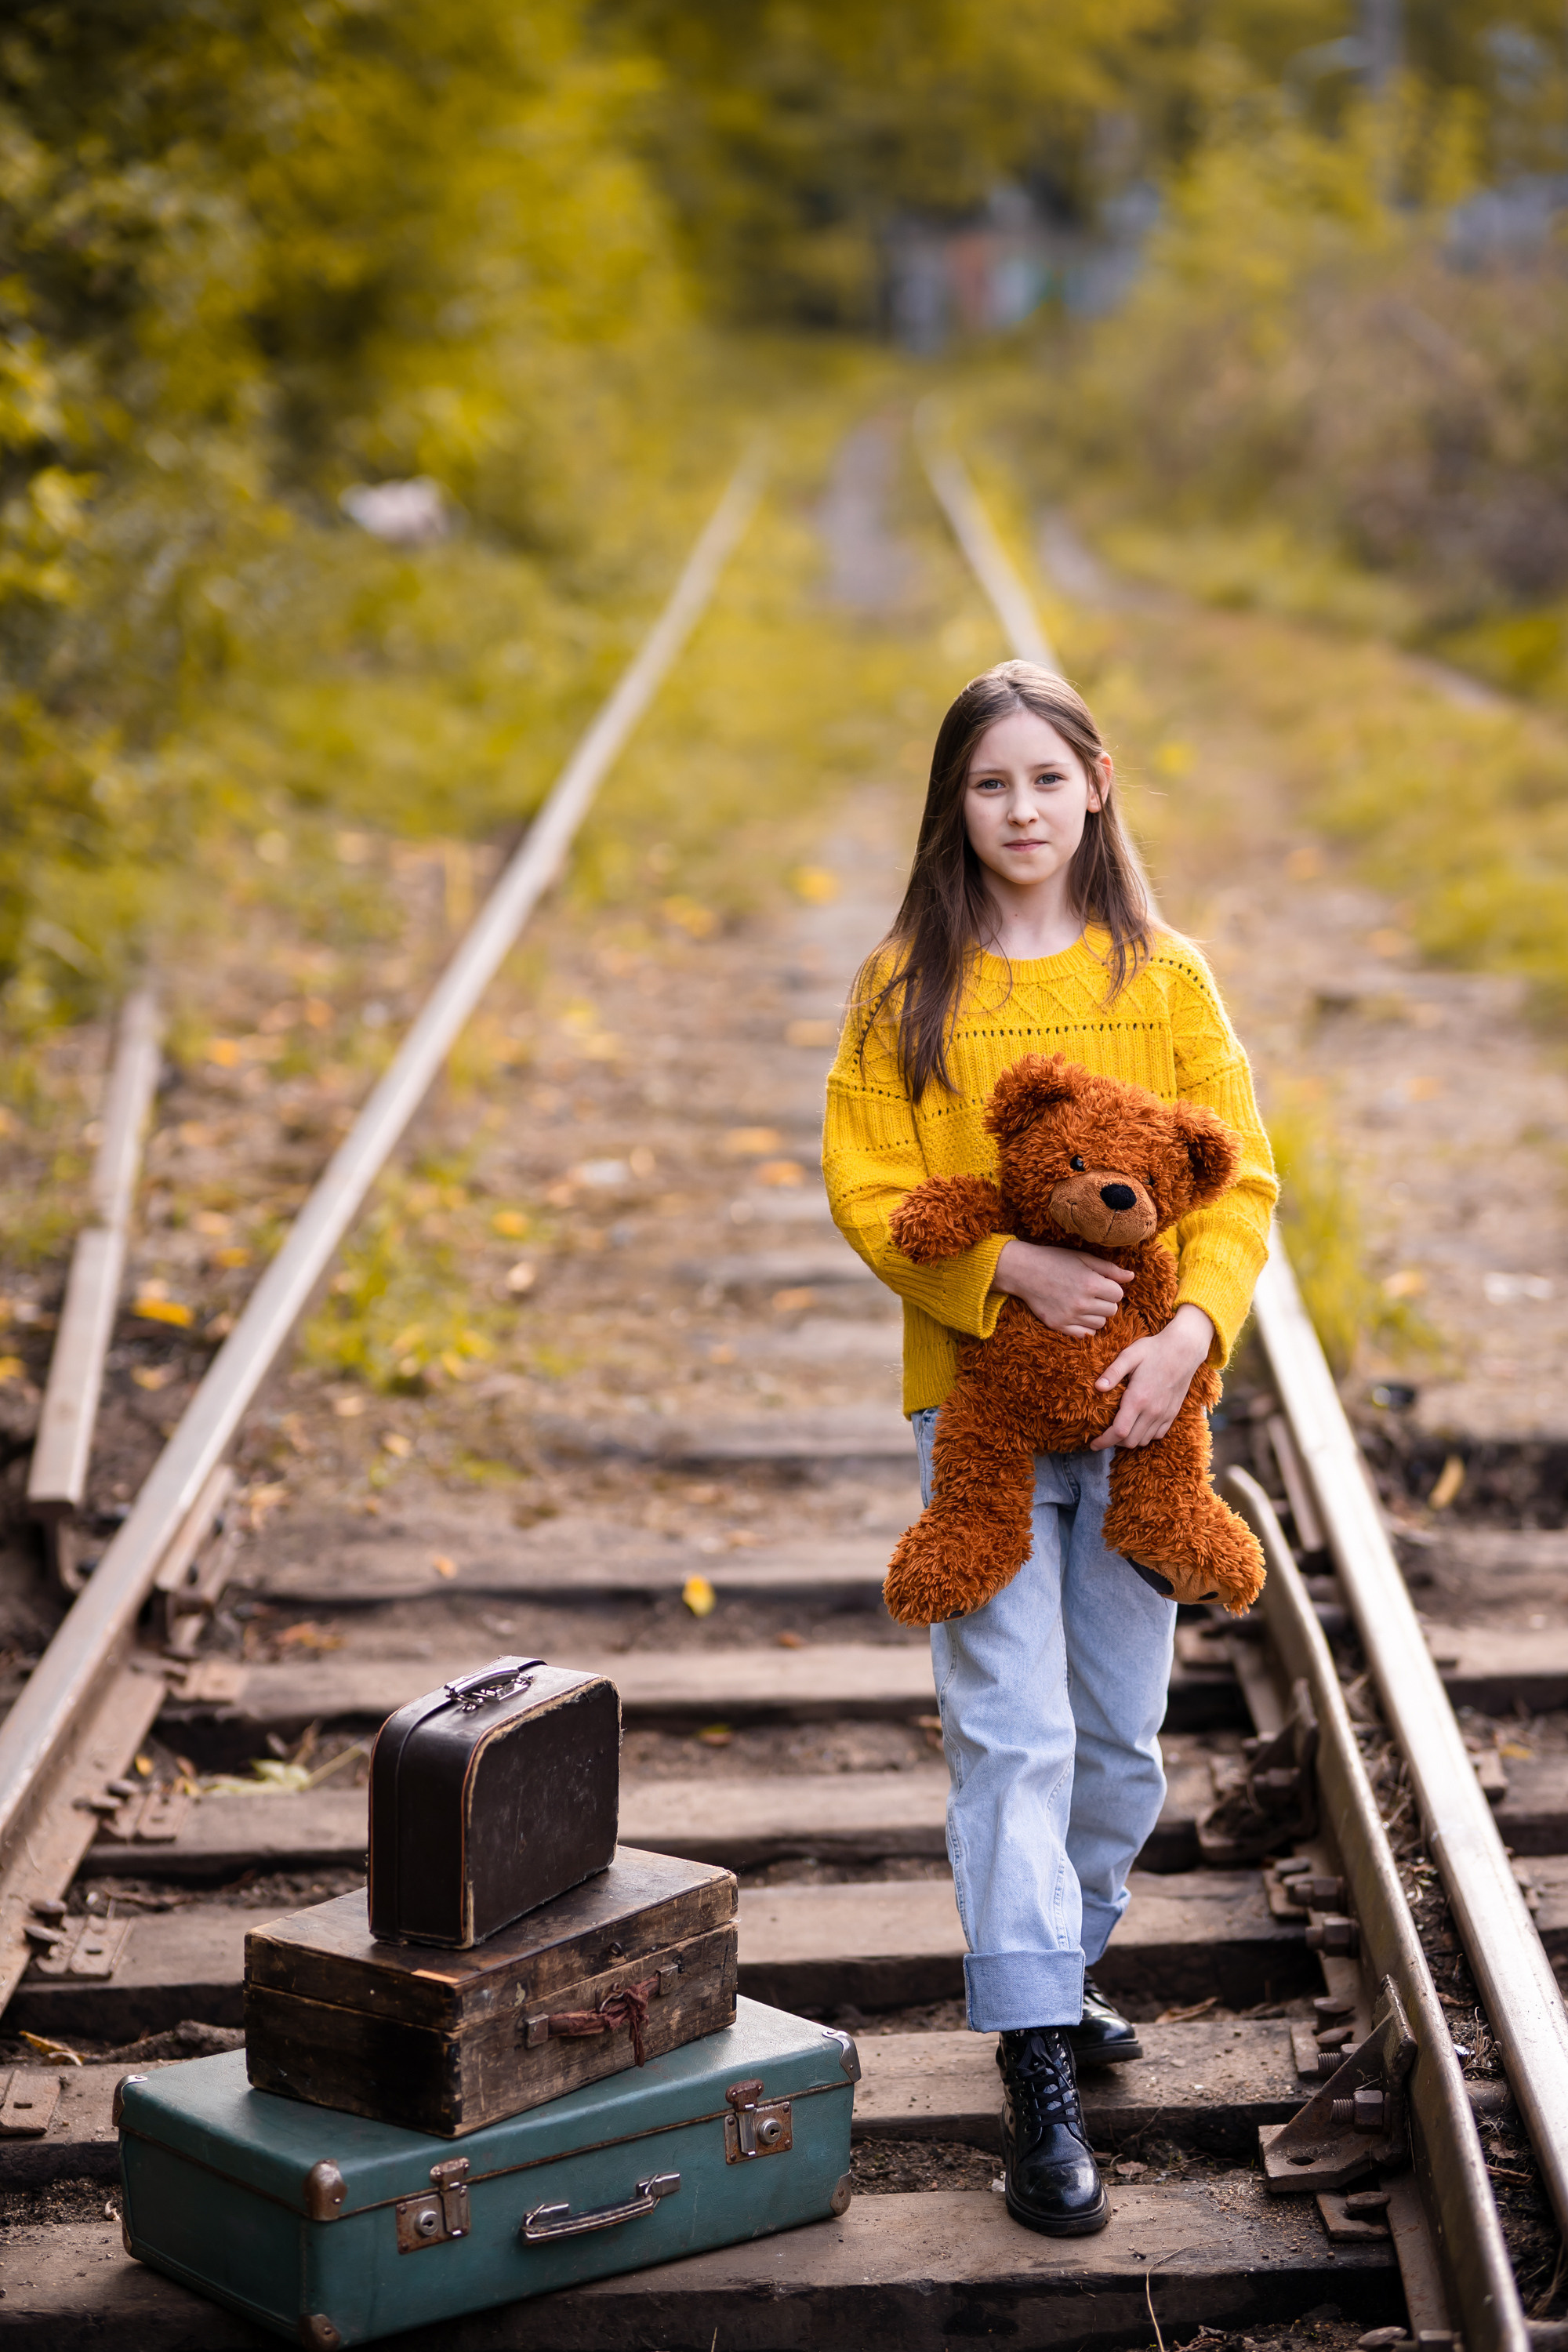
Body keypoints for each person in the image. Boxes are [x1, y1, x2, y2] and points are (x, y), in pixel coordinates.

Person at [822, 661, 1276, 2237]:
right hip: (984, 1417)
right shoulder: (909, 990)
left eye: (1043, 778)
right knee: (1007, 1732)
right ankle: (1035, 2062)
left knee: (1122, 1740)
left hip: (1147, 1411)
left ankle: (1064, 1963)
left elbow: (1241, 1186)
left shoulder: (1166, 976)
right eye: (985, 784)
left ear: (1094, 786)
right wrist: (1002, 1270)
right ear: (953, 808)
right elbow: (872, 1189)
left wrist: (1187, 1335)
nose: (1018, 809)